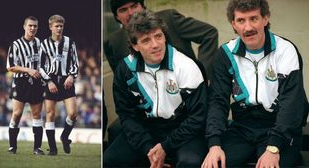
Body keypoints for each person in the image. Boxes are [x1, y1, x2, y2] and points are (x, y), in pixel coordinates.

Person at [202, 0, 309, 167]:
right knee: (215, 164)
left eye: (254, 18)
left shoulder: (285, 50)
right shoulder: (225, 53)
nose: (248, 27)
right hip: (243, 126)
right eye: (241, 20)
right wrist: (214, 144)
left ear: (265, 19)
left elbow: (292, 104)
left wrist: (273, 147)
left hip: (280, 126)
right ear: (233, 24)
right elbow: (217, 101)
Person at [103, 10, 209, 167]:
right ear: (135, 45)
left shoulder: (186, 66)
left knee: (189, 162)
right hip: (146, 128)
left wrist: (165, 147)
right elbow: (127, 115)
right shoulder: (125, 69)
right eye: (146, 40)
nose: (155, 45)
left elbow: (198, 117)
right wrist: (148, 149)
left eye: (158, 36)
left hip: (183, 129)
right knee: (110, 160)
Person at [40, 14, 79, 155]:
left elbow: (75, 62)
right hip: (51, 81)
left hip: (66, 80)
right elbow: (40, 66)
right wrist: (48, 81)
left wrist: (71, 76)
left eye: (61, 26)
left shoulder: (70, 42)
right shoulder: (44, 44)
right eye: (56, 26)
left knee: (73, 113)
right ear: (50, 27)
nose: (59, 28)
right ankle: (53, 148)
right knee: (50, 114)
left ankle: (64, 136)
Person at [6, 16, 45, 155]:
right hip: (20, 82)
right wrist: (28, 70)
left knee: (36, 114)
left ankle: (37, 148)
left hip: (36, 83)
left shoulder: (40, 43)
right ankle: (12, 147)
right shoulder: (16, 45)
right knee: (16, 114)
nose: (32, 28)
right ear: (24, 27)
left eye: (35, 26)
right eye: (30, 26)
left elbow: (44, 63)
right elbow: (10, 67)